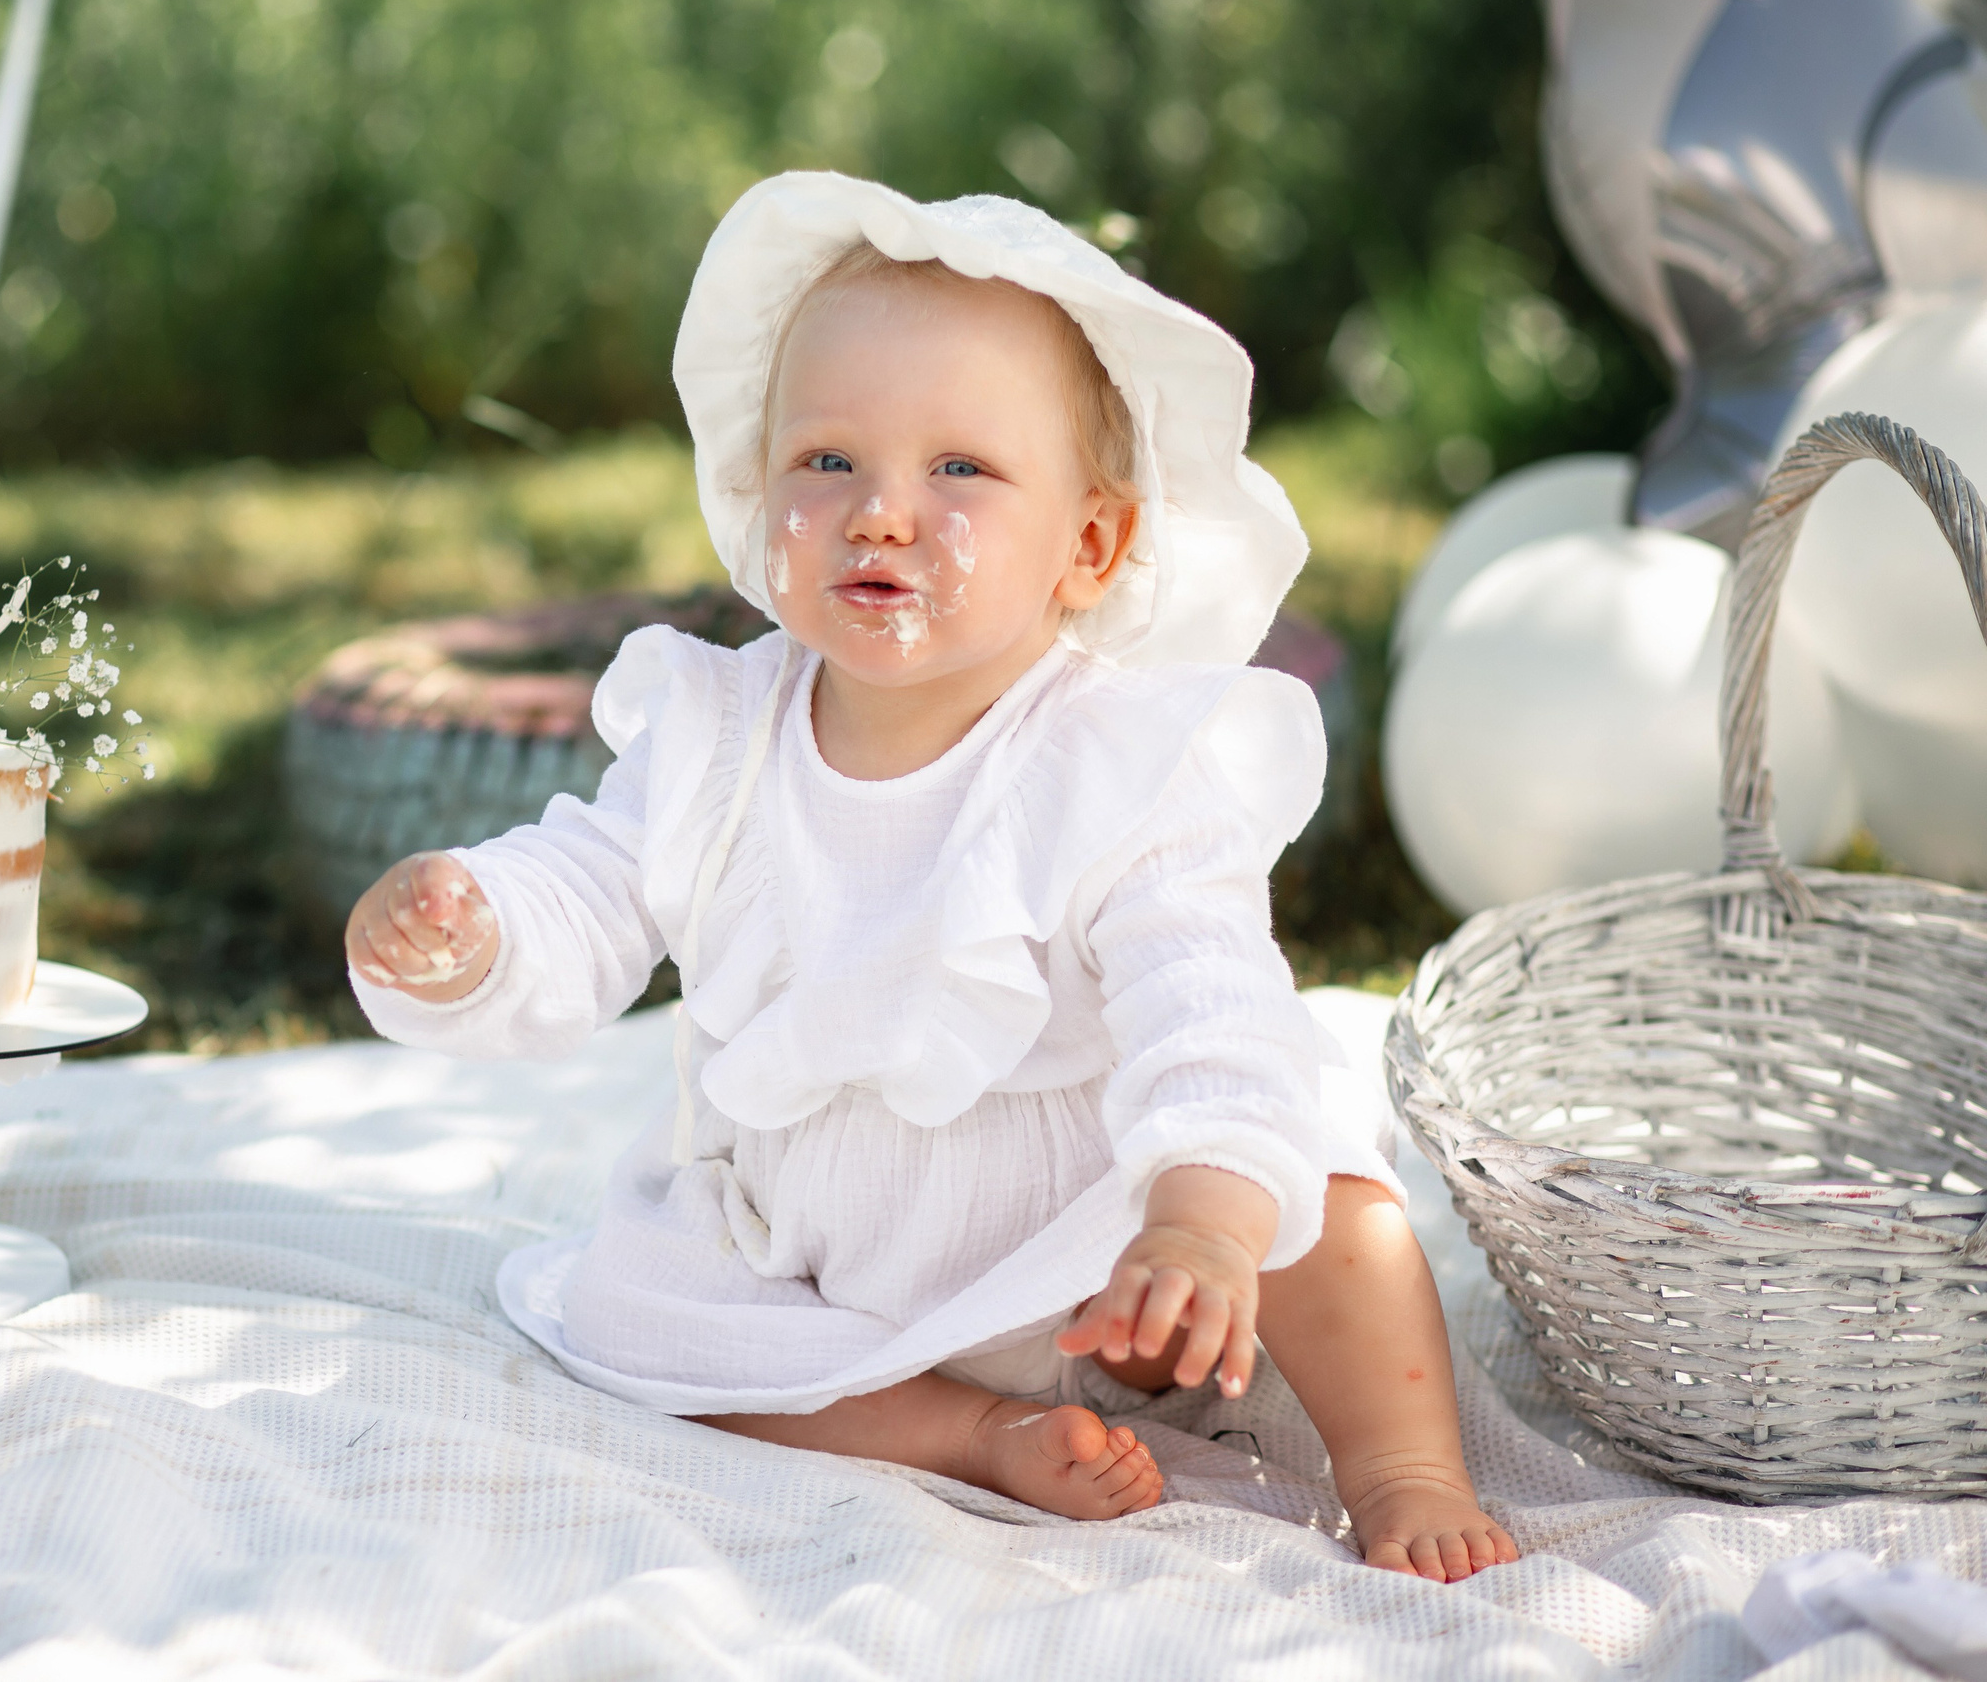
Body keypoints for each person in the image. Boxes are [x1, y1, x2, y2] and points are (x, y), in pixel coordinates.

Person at [345, 173, 1519, 1582]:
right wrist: (473, 928)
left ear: (1089, 543)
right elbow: (587, 888)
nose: (883, 514)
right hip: (842, 1258)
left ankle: (1402, 1467)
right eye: (827, 463)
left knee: (1322, 1169)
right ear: (756, 489)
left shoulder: (1120, 759)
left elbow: (1201, 1001)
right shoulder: (717, 732)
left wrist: (1202, 1222)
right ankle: (964, 1431)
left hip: (1117, 1230)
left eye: (960, 470)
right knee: (639, 1310)